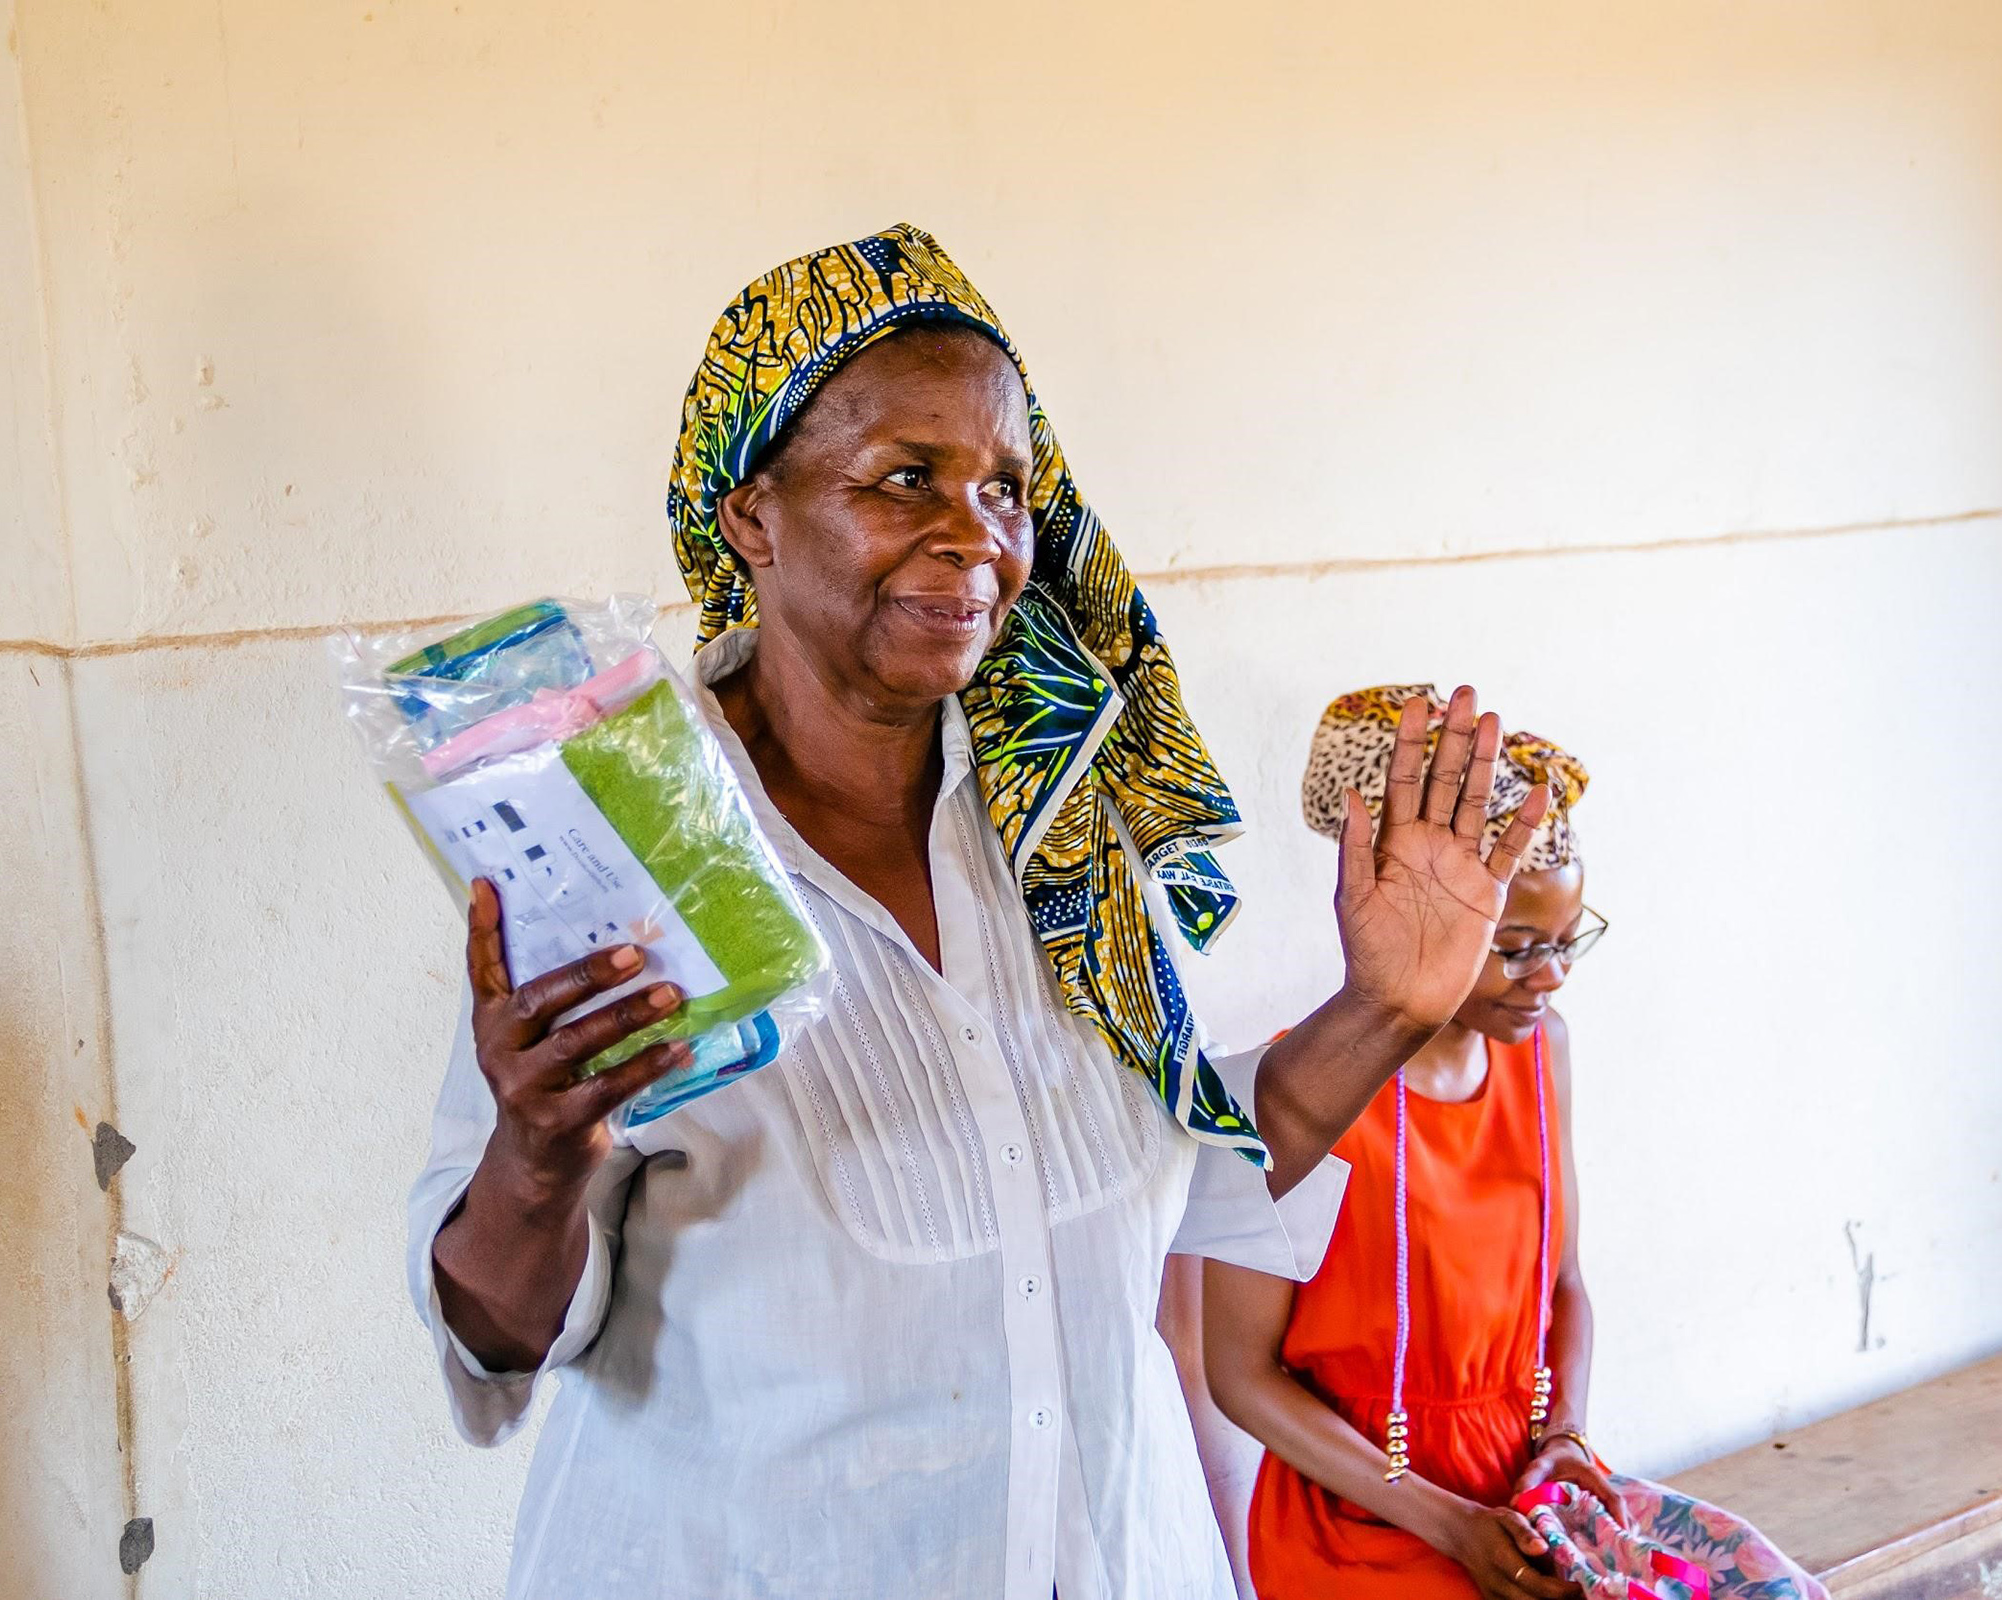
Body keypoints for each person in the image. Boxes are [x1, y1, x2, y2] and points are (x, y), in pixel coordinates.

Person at [404, 228, 1556, 1598]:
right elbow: (493, 1333)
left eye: (1005, 485)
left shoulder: (1063, 831)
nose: (978, 536)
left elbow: (1168, 1183)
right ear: (752, 518)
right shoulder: (637, 848)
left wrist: (1385, 1008)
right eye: (907, 479)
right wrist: (538, 1153)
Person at [1205, 686, 1824, 1600]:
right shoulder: (1295, 1093)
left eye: (1571, 941)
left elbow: (1564, 1283)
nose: (1554, 978)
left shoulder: (1541, 1056)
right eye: (1521, 946)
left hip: (1524, 1478)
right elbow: (1239, 1377)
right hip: (1366, 1515)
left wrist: (1566, 1438)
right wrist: (1450, 1522)